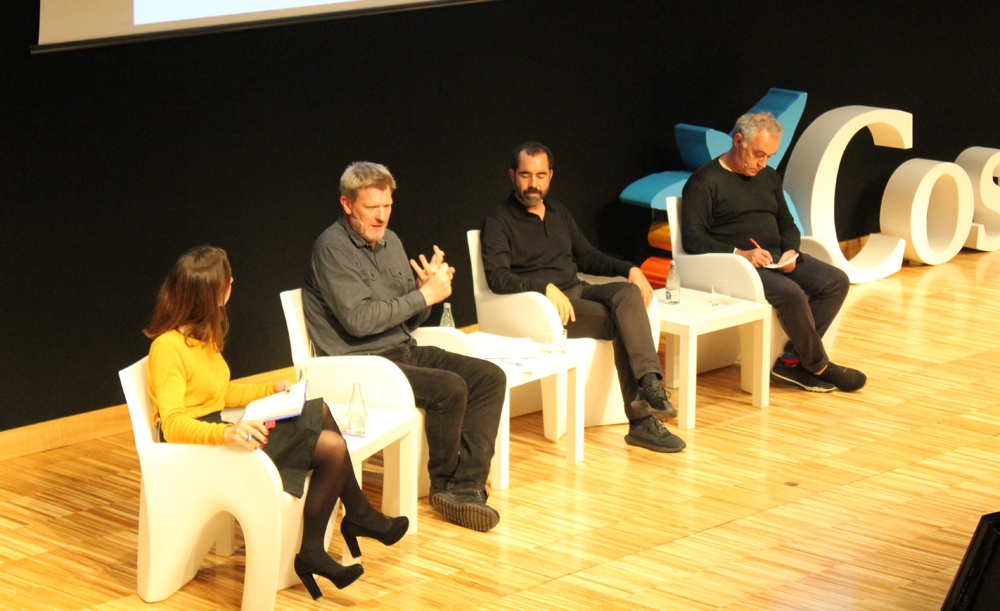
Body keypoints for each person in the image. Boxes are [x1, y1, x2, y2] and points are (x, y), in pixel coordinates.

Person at [145, 245, 408, 601]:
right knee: (331, 447)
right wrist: (227, 432)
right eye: (228, 280)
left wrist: (273, 390)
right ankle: (337, 532)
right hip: (201, 453)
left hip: (220, 436)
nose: (233, 283)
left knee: (320, 410)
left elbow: (218, 393)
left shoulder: (200, 337)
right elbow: (174, 424)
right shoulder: (167, 348)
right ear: (212, 294)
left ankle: (344, 525)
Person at [302, 161, 507, 532]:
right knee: (449, 388)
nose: (382, 217)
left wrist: (423, 296)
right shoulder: (332, 248)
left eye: (388, 206)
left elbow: (403, 320)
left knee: (489, 376)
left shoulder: (391, 242)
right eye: (372, 207)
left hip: (400, 351)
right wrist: (423, 296)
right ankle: (444, 485)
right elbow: (360, 321)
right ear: (347, 205)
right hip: (360, 366)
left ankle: (467, 486)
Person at [481, 142, 686, 454]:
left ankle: (650, 386)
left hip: (576, 290)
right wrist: (543, 288)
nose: (533, 184)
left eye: (540, 175)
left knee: (627, 293)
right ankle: (642, 422)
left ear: (550, 176)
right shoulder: (499, 221)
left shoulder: (559, 213)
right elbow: (497, 277)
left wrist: (629, 268)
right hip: (545, 309)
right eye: (525, 175)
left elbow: (588, 256)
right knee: (623, 322)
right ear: (512, 176)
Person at [680, 111, 867, 393]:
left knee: (836, 281)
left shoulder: (768, 176)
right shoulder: (705, 181)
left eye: (769, 156)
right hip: (736, 267)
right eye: (757, 154)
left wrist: (791, 250)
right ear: (739, 141)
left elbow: (786, 223)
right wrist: (740, 254)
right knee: (790, 294)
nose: (762, 163)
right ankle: (818, 365)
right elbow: (693, 238)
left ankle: (790, 362)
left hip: (777, 258)